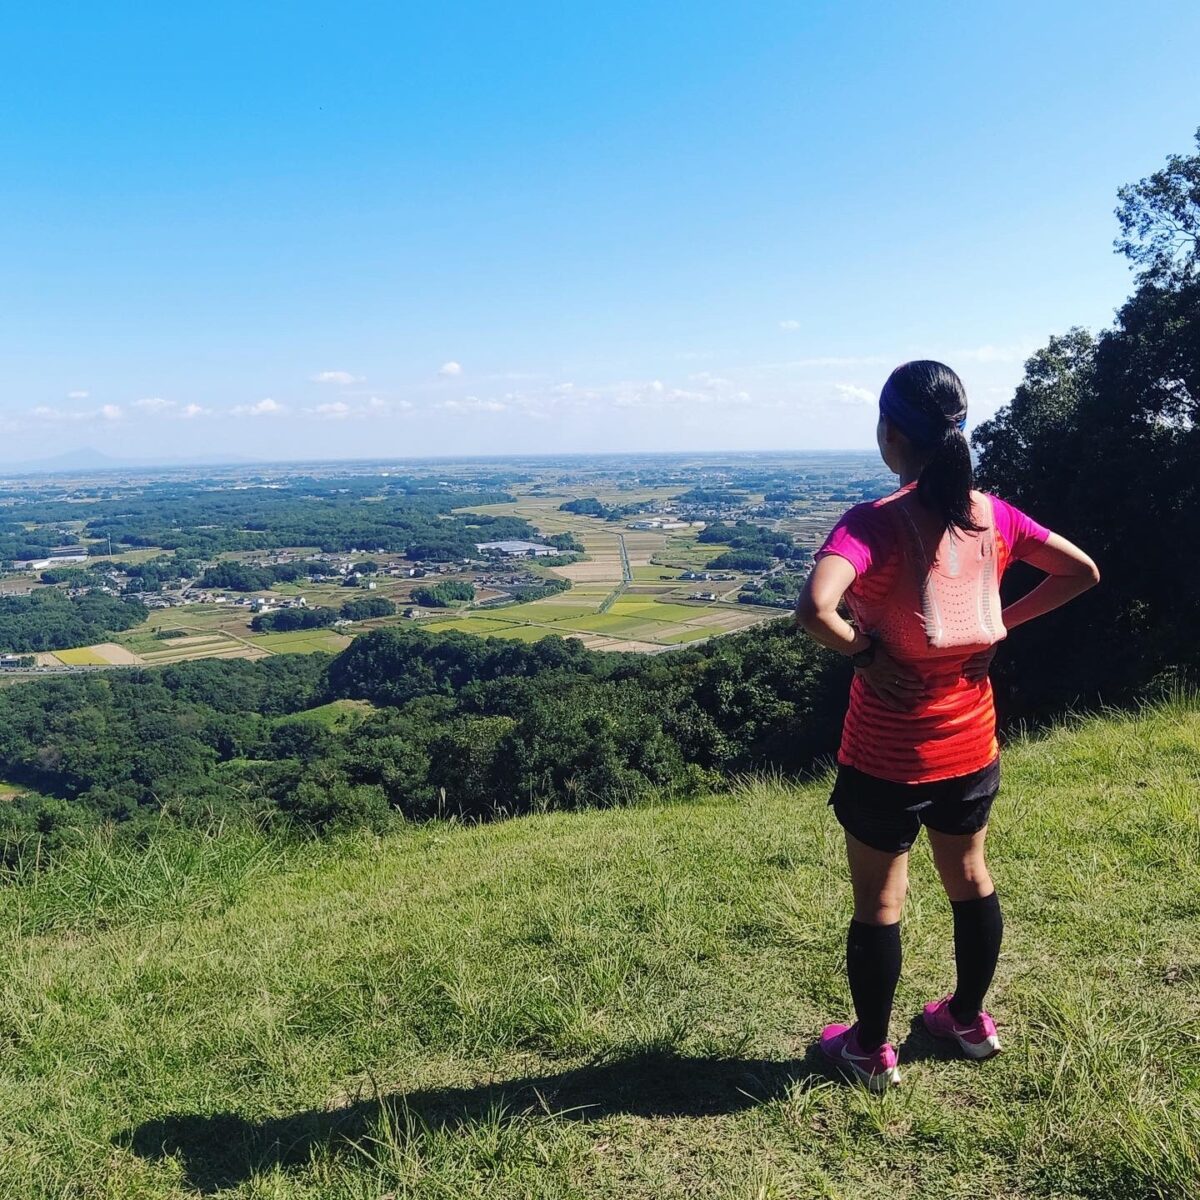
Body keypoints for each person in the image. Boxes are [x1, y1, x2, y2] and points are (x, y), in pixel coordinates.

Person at [795, 360, 1099, 1092]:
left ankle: (868, 1051)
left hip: (885, 752)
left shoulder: (875, 521)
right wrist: (1000, 628)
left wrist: (864, 652)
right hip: (971, 740)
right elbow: (1081, 571)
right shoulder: (992, 515)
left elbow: (814, 608)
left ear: (890, 433)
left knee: (880, 901)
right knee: (970, 877)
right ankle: (965, 1020)